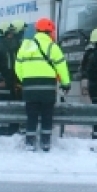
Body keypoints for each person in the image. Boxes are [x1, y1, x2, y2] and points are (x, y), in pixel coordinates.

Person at [15, 18, 70, 152]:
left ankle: (30, 142)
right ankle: (45, 142)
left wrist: (26, 80)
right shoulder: (52, 46)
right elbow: (62, 66)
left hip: (29, 88)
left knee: (31, 116)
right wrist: (65, 83)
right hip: (47, 88)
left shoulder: (25, 46)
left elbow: (18, 67)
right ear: (49, 31)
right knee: (47, 115)